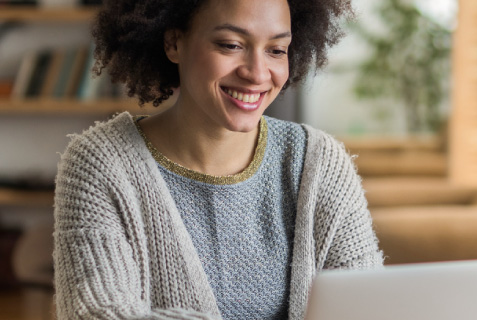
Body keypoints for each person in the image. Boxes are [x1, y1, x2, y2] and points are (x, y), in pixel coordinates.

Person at [51, 0, 383, 319]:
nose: (256, 73)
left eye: (276, 50)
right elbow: (96, 313)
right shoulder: (100, 163)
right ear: (174, 43)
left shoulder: (320, 162)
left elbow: (368, 304)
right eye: (230, 44)